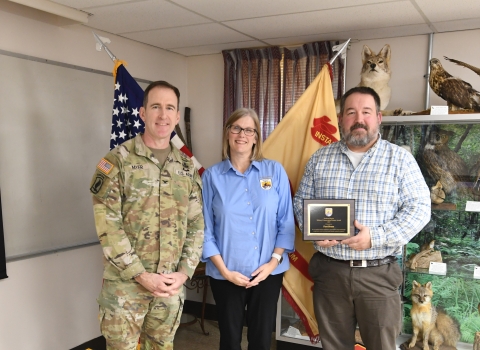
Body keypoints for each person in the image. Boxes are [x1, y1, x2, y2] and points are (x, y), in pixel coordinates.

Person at [293, 86, 431, 350]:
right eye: (351, 112)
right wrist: (314, 229)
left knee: (381, 346)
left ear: (378, 117)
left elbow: (420, 208)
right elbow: (300, 202)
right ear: (341, 119)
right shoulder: (320, 159)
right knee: (333, 346)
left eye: (366, 112)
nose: (359, 119)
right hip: (330, 273)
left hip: (378, 275)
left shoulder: (400, 159)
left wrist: (375, 237)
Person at [89, 81, 204, 350]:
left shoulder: (187, 167)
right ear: (142, 113)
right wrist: (141, 275)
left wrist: (184, 273)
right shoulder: (117, 161)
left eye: (169, 108)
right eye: (155, 107)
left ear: (177, 116)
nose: (163, 115)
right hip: (125, 289)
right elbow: (109, 228)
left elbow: (196, 224)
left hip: (169, 286)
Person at [202, 108, 295, 350]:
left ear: (256, 136)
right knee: (230, 341)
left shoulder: (274, 172)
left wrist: (273, 263)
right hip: (226, 274)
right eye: (236, 128)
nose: (242, 134)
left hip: (267, 273)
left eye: (248, 130)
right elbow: (204, 230)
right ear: (227, 133)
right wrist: (225, 271)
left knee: (262, 340)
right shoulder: (211, 177)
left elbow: (285, 221)